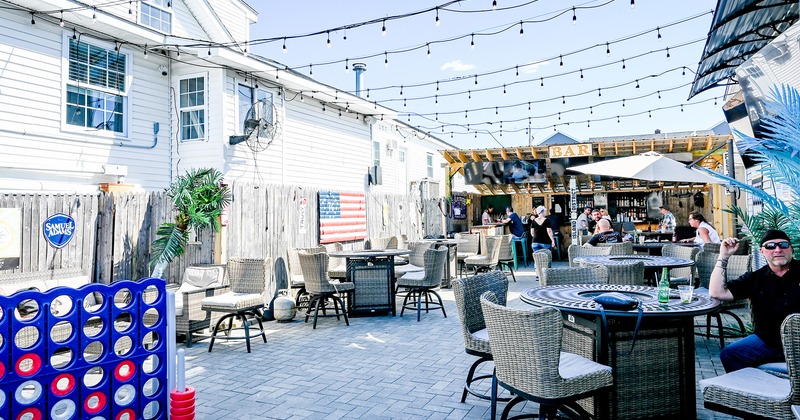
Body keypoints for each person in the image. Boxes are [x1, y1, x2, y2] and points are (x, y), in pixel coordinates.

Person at [710, 230, 800, 372]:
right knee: (730, 355)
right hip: (768, 342)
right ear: (762, 251)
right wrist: (723, 256)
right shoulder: (755, 278)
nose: (778, 249)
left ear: (791, 249)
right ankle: (760, 390)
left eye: (783, 245)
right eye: (770, 246)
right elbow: (717, 292)